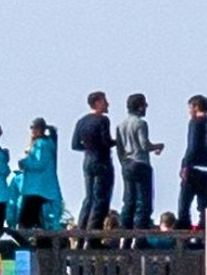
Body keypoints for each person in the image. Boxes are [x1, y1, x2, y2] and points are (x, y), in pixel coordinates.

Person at [116, 93, 164, 230]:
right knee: (144, 202)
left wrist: (123, 162)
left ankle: (125, 233)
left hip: (126, 162)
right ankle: (140, 235)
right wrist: (158, 146)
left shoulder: (120, 125)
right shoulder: (141, 123)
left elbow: (119, 147)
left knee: (128, 200)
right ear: (139, 107)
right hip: (140, 162)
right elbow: (144, 145)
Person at [177, 94, 207, 229]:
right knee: (204, 204)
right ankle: (203, 232)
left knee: (184, 203)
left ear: (196, 107)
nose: (189, 111)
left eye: (190, 108)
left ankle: (183, 233)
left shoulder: (196, 122)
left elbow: (193, 146)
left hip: (195, 168)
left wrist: (185, 165)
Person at [72, 90, 114, 230]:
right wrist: (118, 142)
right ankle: (93, 236)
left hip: (87, 160)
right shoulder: (102, 120)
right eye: (104, 101)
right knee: (100, 198)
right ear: (97, 103)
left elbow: (75, 145)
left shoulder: (81, 121)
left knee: (89, 197)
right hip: (101, 160)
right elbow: (106, 142)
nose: (107, 104)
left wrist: (89, 146)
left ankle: (81, 232)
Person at [18, 118, 62, 230]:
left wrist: (23, 163)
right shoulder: (41, 143)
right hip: (38, 187)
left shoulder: (42, 144)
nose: (33, 130)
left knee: (26, 220)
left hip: (38, 188)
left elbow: (39, 163)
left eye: (35, 127)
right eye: (31, 127)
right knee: (35, 219)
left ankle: (30, 241)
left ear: (41, 129)